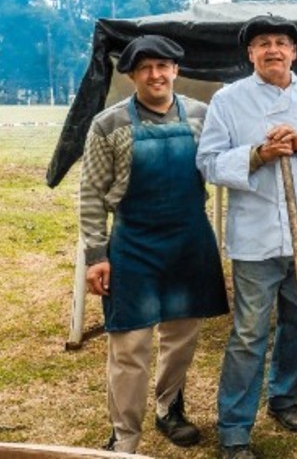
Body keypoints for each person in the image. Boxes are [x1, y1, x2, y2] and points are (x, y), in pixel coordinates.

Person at [196, 15, 297, 459]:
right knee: (248, 334)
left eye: (281, 43)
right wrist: (257, 155)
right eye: (262, 43)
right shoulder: (228, 101)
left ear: (294, 52)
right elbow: (208, 162)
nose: (273, 50)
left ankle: (283, 398)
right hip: (256, 236)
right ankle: (234, 428)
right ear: (250, 54)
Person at [80, 35, 229, 454]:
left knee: (182, 335)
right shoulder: (108, 125)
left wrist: (259, 154)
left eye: (163, 66)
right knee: (130, 345)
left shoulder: (202, 116)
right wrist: (96, 255)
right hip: (134, 241)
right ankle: (124, 434)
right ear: (131, 75)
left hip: (189, 239)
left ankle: (169, 409)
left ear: (176, 70)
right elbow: (91, 193)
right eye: (145, 67)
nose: (155, 74)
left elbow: (223, 165)